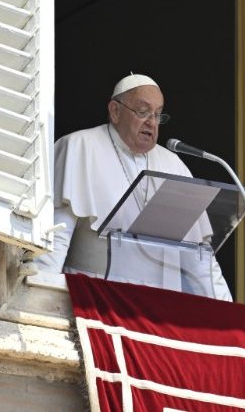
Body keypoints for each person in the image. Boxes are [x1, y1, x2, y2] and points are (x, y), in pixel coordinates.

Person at [34, 74, 232, 301]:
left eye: (158, 114)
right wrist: (40, 293)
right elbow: (56, 236)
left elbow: (198, 257)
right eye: (142, 111)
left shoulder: (174, 166)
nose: (152, 122)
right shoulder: (80, 147)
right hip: (95, 298)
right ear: (115, 111)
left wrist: (230, 312)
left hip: (160, 307)